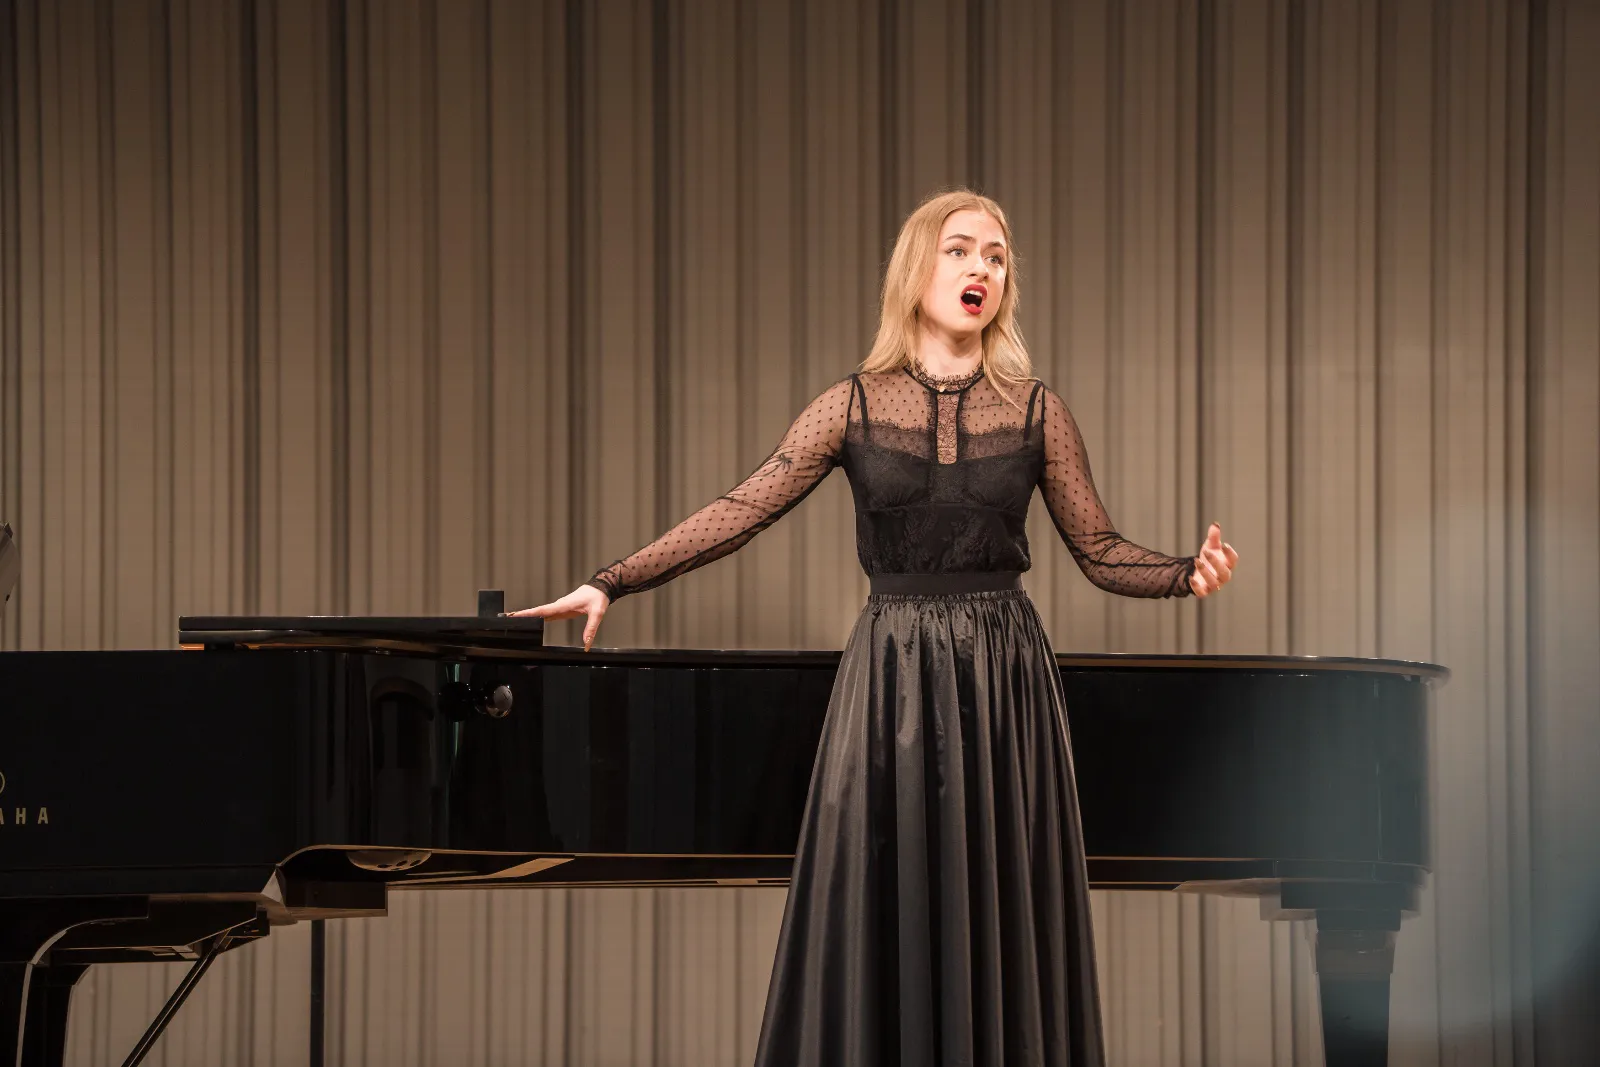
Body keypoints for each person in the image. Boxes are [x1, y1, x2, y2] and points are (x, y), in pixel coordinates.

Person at [512, 188, 1237, 1067]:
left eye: (996, 256)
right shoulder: (851, 406)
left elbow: (1099, 550)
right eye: (960, 249)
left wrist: (1182, 572)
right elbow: (741, 508)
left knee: (999, 898)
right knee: (882, 890)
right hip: (892, 674)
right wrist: (610, 580)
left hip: (1004, 680)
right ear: (917, 268)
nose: (980, 267)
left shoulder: (1036, 410)